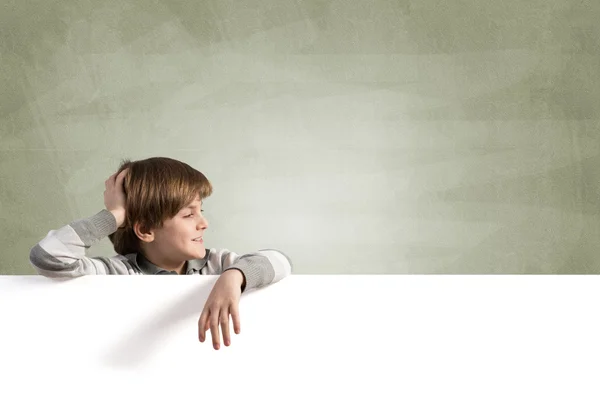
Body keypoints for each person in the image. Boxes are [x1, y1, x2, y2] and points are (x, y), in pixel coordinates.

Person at [29, 157, 293, 350]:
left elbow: (280, 261)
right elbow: (49, 257)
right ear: (145, 229)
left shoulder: (216, 263)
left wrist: (235, 276)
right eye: (189, 214)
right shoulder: (115, 273)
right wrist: (115, 216)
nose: (203, 223)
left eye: (201, 211)